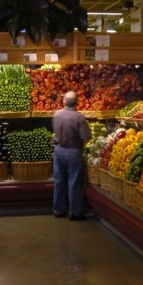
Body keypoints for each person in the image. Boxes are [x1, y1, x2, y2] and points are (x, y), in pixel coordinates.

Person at [52, 91, 91, 220]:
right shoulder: (79, 118)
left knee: (59, 181)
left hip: (58, 151)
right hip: (73, 152)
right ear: (77, 102)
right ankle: (75, 213)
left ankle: (59, 210)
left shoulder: (56, 115)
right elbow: (86, 138)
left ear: (64, 101)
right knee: (74, 182)